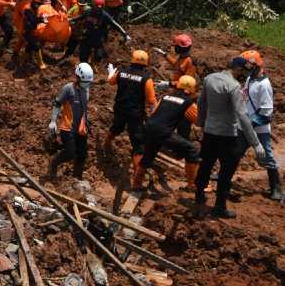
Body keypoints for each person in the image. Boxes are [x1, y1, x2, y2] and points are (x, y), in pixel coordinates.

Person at [194, 57, 266, 218]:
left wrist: (201, 124)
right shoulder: (233, 87)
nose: (246, 76)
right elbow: (242, 116)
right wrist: (256, 143)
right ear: (239, 70)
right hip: (228, 136)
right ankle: (220, 207)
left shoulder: (209, 79)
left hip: (210, 133)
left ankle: (198, 197)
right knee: (226, 173)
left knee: (205, 166)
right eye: (245, 72)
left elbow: (201, 103)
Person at [132, 75, 201, 191]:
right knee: (192, 150)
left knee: (148, 155)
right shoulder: (188, 102)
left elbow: (154, 111)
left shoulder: (165, 97)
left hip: (149, 127)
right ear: (191, 90)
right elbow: (198, 121)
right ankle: (192, 184)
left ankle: (136, 184)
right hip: (163, 131)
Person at [105, 50, 158, 179]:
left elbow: (111, 82)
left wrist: (112, 72)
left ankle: (106, 145)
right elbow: (151, 101)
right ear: (146, 63)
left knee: (116, 128)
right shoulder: (146, 79)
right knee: (138, 144)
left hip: (120, 109)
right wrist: (156, 115)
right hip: (135, 114)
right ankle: (137, 177)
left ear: (132, 60)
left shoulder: (122, 72)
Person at [238, 50, 283, 200]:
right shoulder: (250, 79)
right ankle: (223, 175)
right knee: (235, 152)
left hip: (259, 128)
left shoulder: (264, 85)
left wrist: (250, 123)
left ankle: (276, 188)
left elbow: (267, 111)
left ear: (255, 66)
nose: (245, 70)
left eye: (248, 67)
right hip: (246, 125)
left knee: (266, 157)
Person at [49, 63, 95, 180]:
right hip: (67, 127)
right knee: (70, 153)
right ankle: (54, 163)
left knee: (82, 154)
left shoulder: (87, 89)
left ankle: (77, 179)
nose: (86, 85)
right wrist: (53, 121)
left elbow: (83, 108)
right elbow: (57, 104)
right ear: (77, 77)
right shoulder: (68, 88)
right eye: (85, 82)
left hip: (80, 128)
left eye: (88, 83)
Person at [67, 0, 129, 64]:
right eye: (97, 7)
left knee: (98, 58)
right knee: (83, 58)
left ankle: (94, 66)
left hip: (98, 40)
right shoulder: (88, 12)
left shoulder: (104, 15)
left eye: (100, 7)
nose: (98, 9)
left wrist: (125, 34)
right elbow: (80, 18)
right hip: (87, 38)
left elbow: (115, 24)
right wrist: (71, 20)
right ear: (93, 5)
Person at [24, 0, 48, 70]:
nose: (39, 5)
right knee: (36, 45)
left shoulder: (35, 7)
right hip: (26, 31)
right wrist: (41, 20)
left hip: (32, 30)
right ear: (33, 2)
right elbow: (33, 20)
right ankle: (41, 64)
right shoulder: (27, 9)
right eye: (38, 4)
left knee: (30, 46)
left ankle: (24, 60)